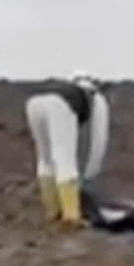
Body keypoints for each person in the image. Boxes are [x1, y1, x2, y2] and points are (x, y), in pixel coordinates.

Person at [24, 72, 110, 228]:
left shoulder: (65, 87)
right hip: (60, 106)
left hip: (34, 104)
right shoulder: (97, 99)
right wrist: (90, 174)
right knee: (64, 159)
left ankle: (52, 211)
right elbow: (99, 138)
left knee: (45, 158)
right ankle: (71, 217)